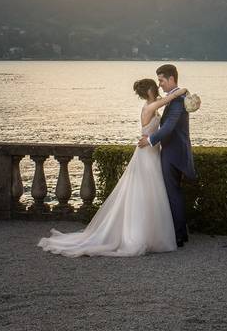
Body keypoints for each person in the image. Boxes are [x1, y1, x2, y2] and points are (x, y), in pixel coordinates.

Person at [36, 79, 186, 256]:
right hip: (146, 155)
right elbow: (166, 101)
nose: (159, 87)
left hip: (152, 153)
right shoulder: (148, 108)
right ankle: (140, 235)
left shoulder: (151, 105)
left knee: (151, 193)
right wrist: (180, 92)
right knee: (145, 192)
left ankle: (151, 233)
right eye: (156, 85)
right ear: (149, 91)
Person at [137, 63, 196, 248]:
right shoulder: (175, 97)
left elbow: (169, 126)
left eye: (162, 80)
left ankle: (178, 236)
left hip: (173, 152)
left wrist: (151, 140)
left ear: (171, 79)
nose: (160, 84)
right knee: (172, 192)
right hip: (172, 150)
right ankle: (179, 233)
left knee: (172, 193)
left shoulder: (177, 100)